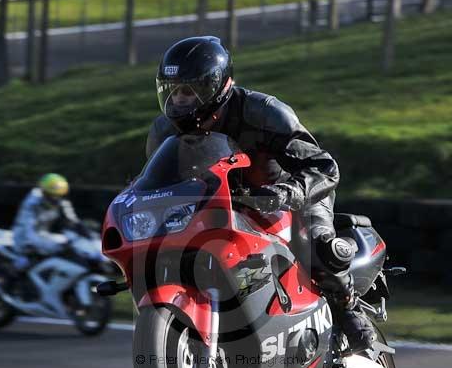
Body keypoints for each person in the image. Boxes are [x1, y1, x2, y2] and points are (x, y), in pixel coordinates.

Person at [147, 36, 375, 352]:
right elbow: (156, 186)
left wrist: (289, 192)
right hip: (223, 206)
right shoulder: (163, 132)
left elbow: (323, 167)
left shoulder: (264, 112)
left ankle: (347, 308)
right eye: (172, 90)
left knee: (315, 245)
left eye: (189, 91)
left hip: (290, 195)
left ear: (216, 87)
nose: (179, 100)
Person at [12, 173, 87, 263]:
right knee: (25, 263)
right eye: (52, 195)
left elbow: (71, 218)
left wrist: (82, 229)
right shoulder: (32, 203)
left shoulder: (61, 201)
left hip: (44, 234)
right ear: (44, 192)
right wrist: (36, 245)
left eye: (59, 196)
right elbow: (28, 228)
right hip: (24, 239)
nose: (56, 199)